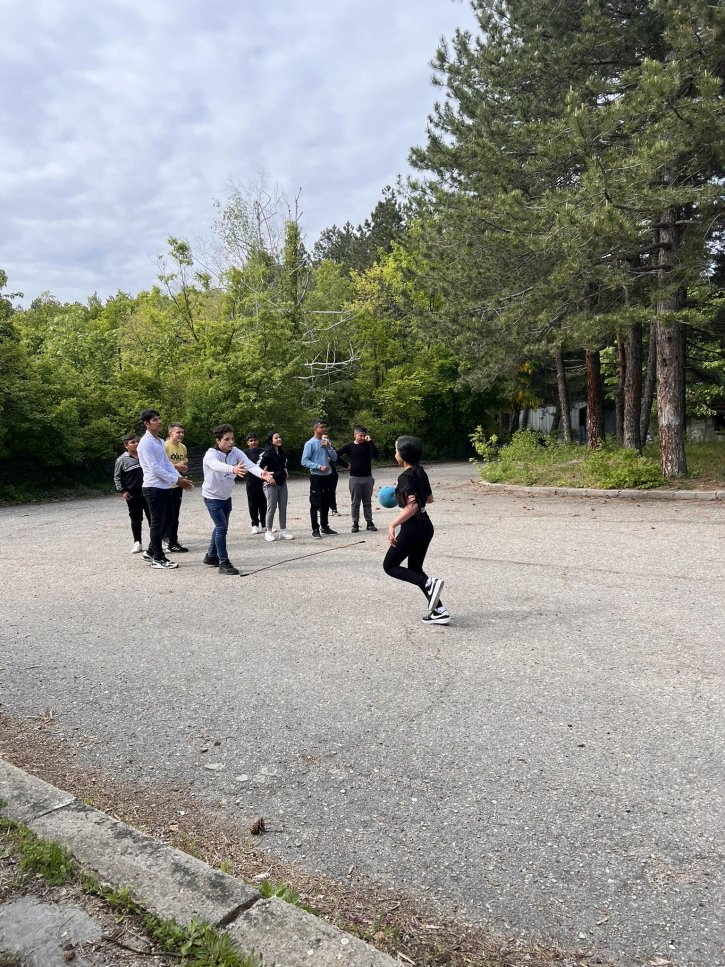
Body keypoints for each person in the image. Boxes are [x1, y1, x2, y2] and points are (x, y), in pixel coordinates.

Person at [383, 435, 449, 625]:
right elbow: (428, 499)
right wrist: (401, 493)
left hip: (413, 528)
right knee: (415, 568)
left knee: (390, 566)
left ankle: (429, 583)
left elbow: (411, 508)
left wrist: (392, 524)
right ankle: (439, 610)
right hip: (425, 527)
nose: (395, 453)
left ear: (402, 455)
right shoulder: (420, 472)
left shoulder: (405, 476)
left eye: (396, 450)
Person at [202, 424, 274, 575]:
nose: (231, 442)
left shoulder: (235, 452)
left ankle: (210, 556)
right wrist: (233, 469)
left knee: (220, 526)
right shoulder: (211, 454)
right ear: (218, 441)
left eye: (232, 438)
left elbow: (250, 465)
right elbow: (216, 465)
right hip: (212, 496)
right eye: (227, 439)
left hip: (226, 496)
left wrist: (263, 474)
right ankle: (223, 563)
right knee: (222, 527)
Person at [137, 409, 194, 570]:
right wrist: (176, 479)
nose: (159, 422)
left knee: (164, 521)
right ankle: (158, 558)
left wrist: (178, 478)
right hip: (153, 487)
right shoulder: (146, 443)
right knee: (157, 524)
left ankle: (150, 552)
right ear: (147, 424)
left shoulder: (159, 441)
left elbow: (166, 464)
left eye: (159, 419)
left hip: (164, 486)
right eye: (155, 420)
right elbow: (154, 468)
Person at [336, 426, 379, 533]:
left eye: (364, 435)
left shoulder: (368, 445)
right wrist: (346, 465)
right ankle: (355, 523)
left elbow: (375, 455)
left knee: (367, 502)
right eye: (360, 435)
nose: (363, 437)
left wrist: (371, 442)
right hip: (354, 478)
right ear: (354, 435)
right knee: (355, 502)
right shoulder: (349, 446)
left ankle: (369, 522)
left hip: (367, 477)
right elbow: (335, 455)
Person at [301, 420, 338, 539]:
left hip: (328, 476)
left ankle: (325, 526)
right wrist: (318, 466)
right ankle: (315, 529)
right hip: (316, 476)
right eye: (321, 427)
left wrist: (329, 447)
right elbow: (304, 461)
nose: (324, 429)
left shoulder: (326, 442)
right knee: (315, 503)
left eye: (324, 427)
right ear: (315, 428)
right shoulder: (310, 443)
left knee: (326, 502)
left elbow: (335, 457)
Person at [113, 433, 150, 553]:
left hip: (149, 491)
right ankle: (137, 542)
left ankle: (157, 541)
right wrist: (123, 490)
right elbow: (117, 477)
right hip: (133, 494)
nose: (136, 444)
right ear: (126, 446)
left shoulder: (145, 455)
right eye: (133, 442)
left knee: (153, 517)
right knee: (136, 518)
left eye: (137, 441)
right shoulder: (121, 460)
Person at [258, 431, 294, 541]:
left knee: (283, 507)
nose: (279, 439)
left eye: (279, 437)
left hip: (282, 483)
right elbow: (260, 468)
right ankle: (268, 532)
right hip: (271, 484)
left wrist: (285, 471)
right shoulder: (268, 453)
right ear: (271, 440)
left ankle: (283, 531)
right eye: (276, 438)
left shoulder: (281, 452)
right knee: (271, 508)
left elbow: (283, 464)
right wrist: (268, 478)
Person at [162, 422, 189, 553]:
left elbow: (184, 463)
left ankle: (173, 541)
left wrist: (183, 467)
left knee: (174, 515)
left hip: (177, 484)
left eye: (182, 432)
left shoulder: (183, 447)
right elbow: (160, 466)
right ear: (170, 433)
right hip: (165, 485)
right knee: (165, 515)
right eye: (178, 432)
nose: (181, 435)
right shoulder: (165, 446)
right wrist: (177, 466)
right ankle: (163, 540)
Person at [243, 432, 267, 535]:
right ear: (247, 442)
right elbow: (240, 464)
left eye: (255, 440)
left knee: (264, 503)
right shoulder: (244, 453)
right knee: (253, 503)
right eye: (251, 441)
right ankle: (254, 524)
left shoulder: (264, 451)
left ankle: (264, 524)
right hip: (251, 481)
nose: (253, 442)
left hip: (262, 480)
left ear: (258, 441)